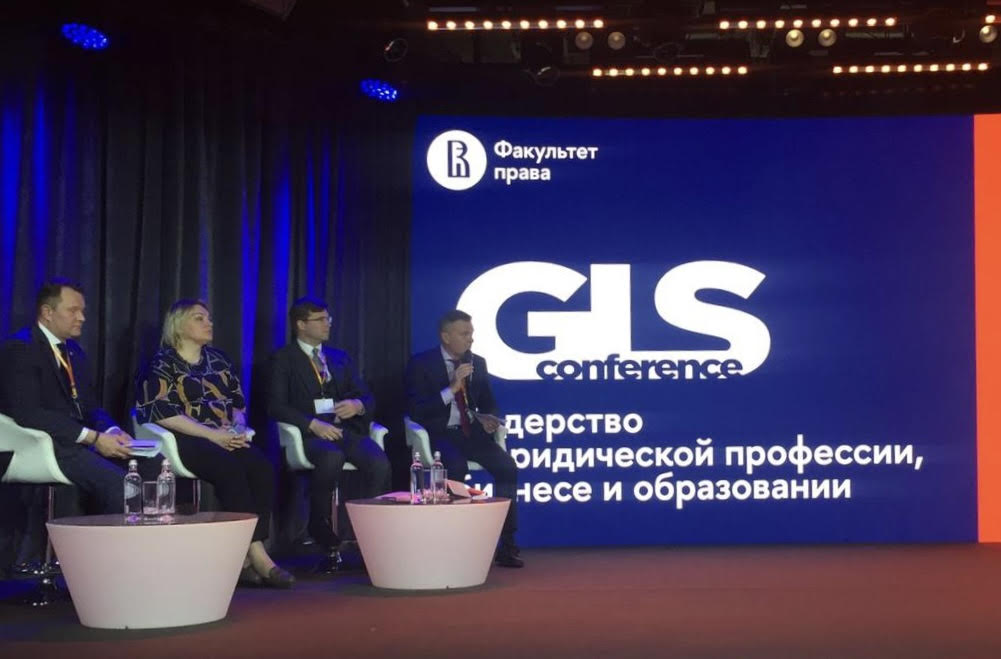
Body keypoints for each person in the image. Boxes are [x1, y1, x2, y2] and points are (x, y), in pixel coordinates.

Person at [135, 299, 293, 588]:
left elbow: (237, 403)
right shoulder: (162, 363)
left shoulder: (219, 359)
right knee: (229, 469)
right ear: (178, 325)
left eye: (209, 318)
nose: (209, 323)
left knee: (260, 467)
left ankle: (246, 556)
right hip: (185, 438)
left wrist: (237, 427)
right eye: (199, 318)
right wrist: (211, 435)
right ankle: (256, 553)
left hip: (222, 435)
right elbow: (159, 411)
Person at [267, 296, 389, 569]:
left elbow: (367, 397)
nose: (327, 324)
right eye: (320, 320)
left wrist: (357, 406)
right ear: (301, 324)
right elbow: (276, 405)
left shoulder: (339, 357)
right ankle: (318, 523)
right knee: (331, 457)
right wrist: (312, 424)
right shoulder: (283, 359)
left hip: (344, 430)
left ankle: (371, 530)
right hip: (309, 435)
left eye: (328, 319)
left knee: (378, 461)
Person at [0, 279, 133, 514]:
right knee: (122, 485)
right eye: (73, 310)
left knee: (149, 465)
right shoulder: (21, 348)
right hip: (44, 444)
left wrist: (111, 430)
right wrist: (93, 438)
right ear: (47, 312)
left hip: (77, 441)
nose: (82, 317)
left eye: (82, 311)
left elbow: (90, 406)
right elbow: (29, 414)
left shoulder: (74, 351)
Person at [405, 310, 523, 568]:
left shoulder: (477, 362)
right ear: (446, 336)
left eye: (471, 334)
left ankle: (506, 542)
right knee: (455, 468)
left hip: (471, 434)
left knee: (507, 467)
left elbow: (489, 402)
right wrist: (451, 389)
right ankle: (454, 541)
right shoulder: (421, 364)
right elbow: (416, 410)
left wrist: (489, 417)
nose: (470, 339)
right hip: (440, 434)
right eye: (464, 334)